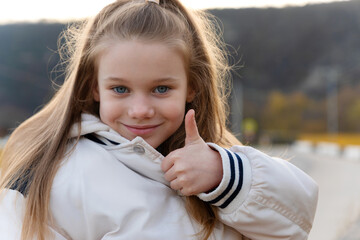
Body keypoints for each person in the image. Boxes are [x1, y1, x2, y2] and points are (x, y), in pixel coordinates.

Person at [0, 0, 318, 239]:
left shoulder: (216, 161)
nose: (140, 109)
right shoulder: (51, 176)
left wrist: (223, 173)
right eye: (120, 88)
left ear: (192, 87)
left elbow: (296, 222)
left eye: (161, 88)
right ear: (94, 88)